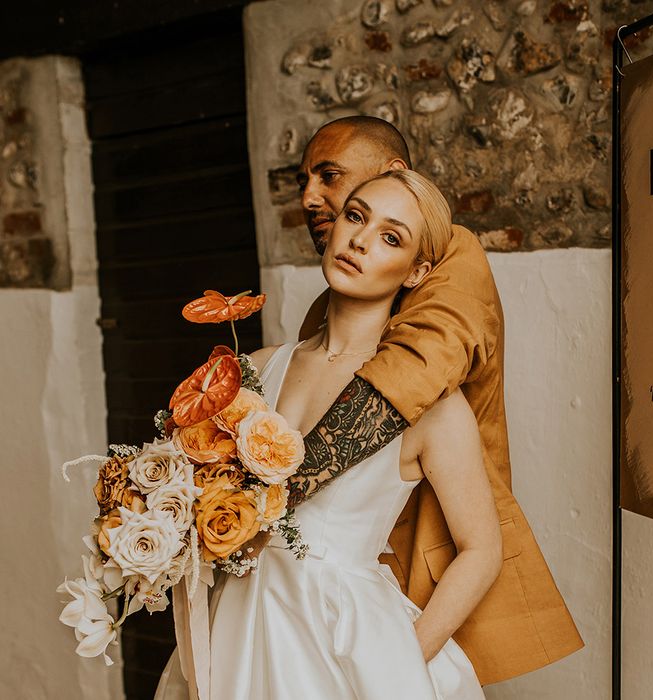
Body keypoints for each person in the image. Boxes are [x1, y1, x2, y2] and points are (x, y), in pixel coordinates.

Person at [156, 170, 501, 699]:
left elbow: (482, 549)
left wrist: (403, 659)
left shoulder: (431, 405)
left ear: (416, 272)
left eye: (391, 237)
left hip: (342, 639)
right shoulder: (254, 369)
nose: (360, 240)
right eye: (355, 216)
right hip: (233, 621)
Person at [290, 116, 583, 685]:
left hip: (421, 557)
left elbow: (410, 373)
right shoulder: (314, 319)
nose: (310, 197)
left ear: (394, 173)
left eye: (330, 177)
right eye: (305, 180)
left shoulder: (454, 257)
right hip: (325, 585)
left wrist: (266, 495)